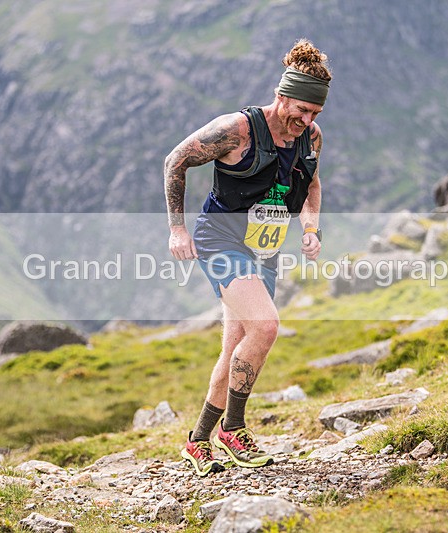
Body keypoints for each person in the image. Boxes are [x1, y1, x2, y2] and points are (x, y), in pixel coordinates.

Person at [164, 39, 331, 476]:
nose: (307, 120)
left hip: (265, 249)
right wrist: (177, 228)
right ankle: (233, 429)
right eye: (301, 110)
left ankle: (197, 440)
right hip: (221, 241)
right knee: (266, 326)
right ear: (282, 96)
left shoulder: (310, 136)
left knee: (237, 343)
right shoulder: (236, 130)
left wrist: (310, 229)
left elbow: (311, 185)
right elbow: (175, 161)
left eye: (315, 113)